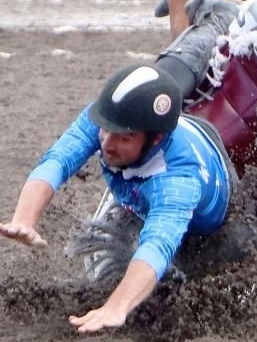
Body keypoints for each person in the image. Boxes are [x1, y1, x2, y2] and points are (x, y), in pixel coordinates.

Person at [0, 65, 233, 334]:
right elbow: (58, 160)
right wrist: (24, 219)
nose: (107, 144)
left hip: (211, 220)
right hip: (142, 186)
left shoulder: (177, 181)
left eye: (123, 138)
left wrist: (118, 306)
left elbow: (158, 245)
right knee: (114, 266)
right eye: (105, 131)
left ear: (155, 139)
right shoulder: (109, 117)